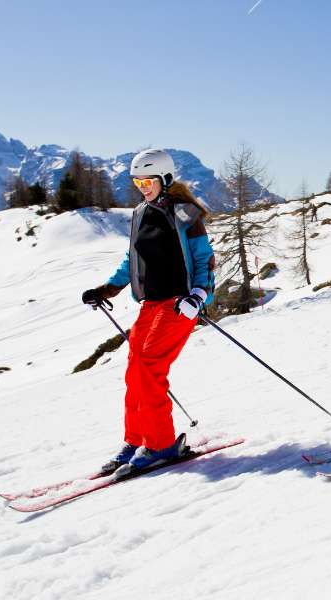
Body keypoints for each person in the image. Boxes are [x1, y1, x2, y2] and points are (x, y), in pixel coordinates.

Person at [82, 149, 215, 472]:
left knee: (149, 367)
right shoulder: (141, 212)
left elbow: (204, 259)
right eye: (138, 181)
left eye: (148, 180)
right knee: (134, 370)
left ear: (165, 179)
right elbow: (133, 259)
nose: (143, 186)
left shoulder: (186, 214)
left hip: (179, 304)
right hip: (150, 304)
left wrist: (199, 295)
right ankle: (138, 438)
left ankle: (161, 445)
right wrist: (107, 289)